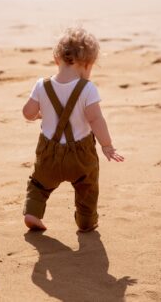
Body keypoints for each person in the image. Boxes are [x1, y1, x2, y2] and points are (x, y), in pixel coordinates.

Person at [22, 27, 124, 232]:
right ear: (87, 64)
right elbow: (95, 119)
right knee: (87, 187)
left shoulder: (41, 85)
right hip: (81, 155)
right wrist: (107, 145)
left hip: (48, 153)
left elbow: (28, 112)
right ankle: (86, 220)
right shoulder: (88, 89)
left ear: (56, 59)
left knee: (39, 184)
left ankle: (33, 212)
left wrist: (39, 114)